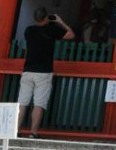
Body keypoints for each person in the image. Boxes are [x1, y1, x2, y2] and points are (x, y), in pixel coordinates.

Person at [18, 7, 74, 137]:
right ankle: (33, 132)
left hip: (27, 70)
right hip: (43, 71)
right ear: (46, 17)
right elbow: (71, 35)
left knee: (22, 101)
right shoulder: (52, 30)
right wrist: (60, 21)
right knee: (39, 103)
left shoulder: (29, 31)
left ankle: (16, 130)